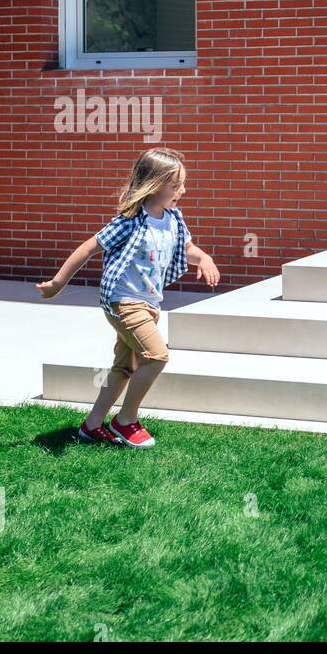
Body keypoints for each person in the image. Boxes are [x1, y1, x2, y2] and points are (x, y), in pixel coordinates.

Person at [36, 148, 220, 448]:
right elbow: (89, 247)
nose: (182, 191)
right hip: (122, 301)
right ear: (154, 184)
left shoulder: (173, 218)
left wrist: (206, 259)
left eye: (182, 184)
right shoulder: (130, 220)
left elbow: (186, 248)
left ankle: (92, 425)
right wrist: (58, 284)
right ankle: (126, 420)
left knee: (124, 368)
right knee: (156, 356)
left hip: (148, 303)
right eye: (176, 186)